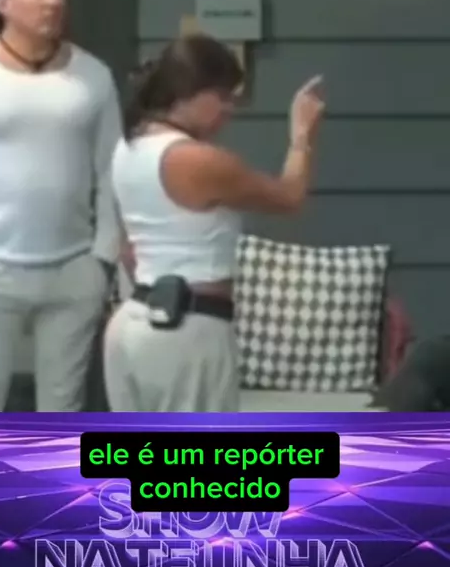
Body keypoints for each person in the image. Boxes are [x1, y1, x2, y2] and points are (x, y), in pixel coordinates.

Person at [104, 34, 325, 412]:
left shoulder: (128, 147)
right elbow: (289, 197)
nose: (229, 108)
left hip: (134, 321)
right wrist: (301, 136)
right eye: (222, 95)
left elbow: (128, 249)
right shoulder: (195, 158)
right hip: (187, 330)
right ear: (188, 90)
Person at [0, 0, 122, 412]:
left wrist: (103, 259)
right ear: (3, 2)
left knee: (63, 408)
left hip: (73, 271)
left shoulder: (93, 76)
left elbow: (112, 169)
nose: (53, 1)